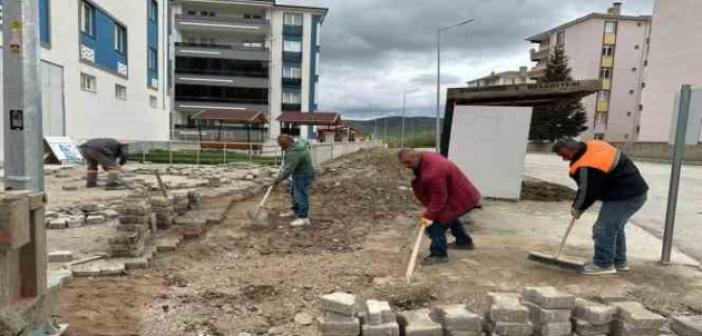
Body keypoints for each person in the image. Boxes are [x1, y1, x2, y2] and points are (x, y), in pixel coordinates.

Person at [552, 139, 648, 275]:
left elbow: (587, 191)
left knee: (603, 228)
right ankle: (618, 262)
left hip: (625, 196)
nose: (563, 159)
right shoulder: (594, 144)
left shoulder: (587, 165)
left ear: (570, 149)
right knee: (614, 228)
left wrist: (577, 208)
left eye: (563, 154)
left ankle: (603, 264)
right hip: (633, 192)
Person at [398, 149, 482, 265]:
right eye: (403, 163)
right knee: (449, 216)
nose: (405, 166)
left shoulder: (433, 173)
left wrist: (429, 217)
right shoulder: (425, 157)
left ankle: (439, 254)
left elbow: (438, 201)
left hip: (458, 198)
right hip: (458, 195)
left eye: (407, 162)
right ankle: (464, 242)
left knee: (435, 225)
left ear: (415, 156)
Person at [273, 134, 315, 227]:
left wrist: (277, 180)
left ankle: (303, 218)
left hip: (303, 174)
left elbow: (288, 170)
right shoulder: (299, 143)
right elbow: (307, 142)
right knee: (293, 192)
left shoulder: (294, 153)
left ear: (285, 145)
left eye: (281, 146)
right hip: (300, 172)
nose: (282, 149)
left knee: (300, 195)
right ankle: (295, 211)